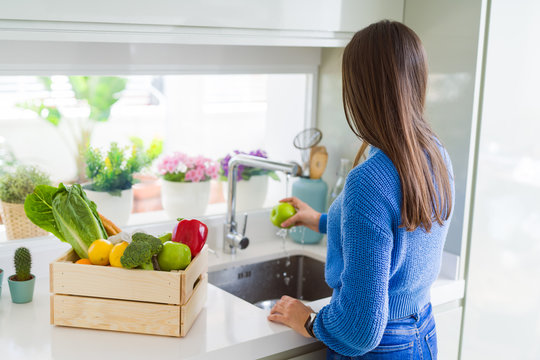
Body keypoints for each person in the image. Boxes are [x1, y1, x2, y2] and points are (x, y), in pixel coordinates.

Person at [267, 20, 454, 360]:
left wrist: (305, 319)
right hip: (421, 335)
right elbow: (399, 229)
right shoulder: (434, 154)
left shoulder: (368, 180)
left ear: (359, 91)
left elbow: (359, 330)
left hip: (380, 350)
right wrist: (321, 220)